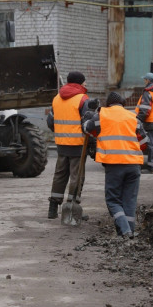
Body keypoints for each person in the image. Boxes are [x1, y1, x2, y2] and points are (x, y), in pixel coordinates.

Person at [82, 92, 148, 240]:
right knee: (129, 200)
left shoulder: (102, 115)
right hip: (134, 165)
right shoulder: (133, 117)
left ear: (108, 104)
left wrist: (88, 114)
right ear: (123, 104)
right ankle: (129, 230)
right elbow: (144, 143)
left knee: (113, 200)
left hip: (114, 165)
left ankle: (125, 231)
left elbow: (87, 129)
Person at [46, 71, 92, 219]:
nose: (86, 84)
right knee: (76, 177)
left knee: (60, 175)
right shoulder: (83, 99)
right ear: (79, 83)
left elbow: (50, 122)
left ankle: (52, 209)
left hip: (61, 144)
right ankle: (72, 208)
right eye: (84, 82)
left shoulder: (57, 98)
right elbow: (88, 124)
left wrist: (61, 132)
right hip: (78, 145)